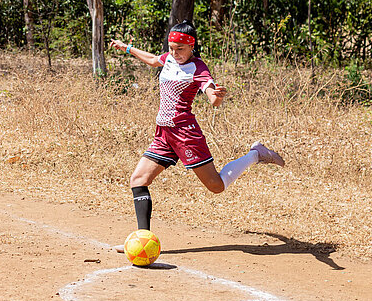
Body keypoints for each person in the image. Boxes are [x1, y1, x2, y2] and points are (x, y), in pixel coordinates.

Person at [109, 20, 284, 252]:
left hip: (185, 134)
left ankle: (256, 154)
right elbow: (153, 60)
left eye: (179, 49)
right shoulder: (169, 59)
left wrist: (219, 95)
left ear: (192, 46)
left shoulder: (198, 68)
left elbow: (213, 99)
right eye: (171, 48)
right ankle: (142, 240)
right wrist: (127, 48)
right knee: (138, 181)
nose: (174, 53)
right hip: (164, 134)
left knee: (216, 186)